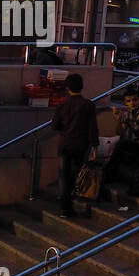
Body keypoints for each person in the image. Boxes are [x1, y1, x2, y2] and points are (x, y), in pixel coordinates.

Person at [52, 73, 98, 217]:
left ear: (67, 88)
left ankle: (64, 207)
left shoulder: (62, 105)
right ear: (82, 86)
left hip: (65, 144)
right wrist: (95, 146)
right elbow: (92, 127)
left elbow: (54, 126)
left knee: (63, 175)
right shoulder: (88, 105)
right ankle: (69, 205)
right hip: (80, 145)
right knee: (73, 174)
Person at [109, 89, 139, 181]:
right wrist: (119, 119)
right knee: (120, 144)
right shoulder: (127, 114)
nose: (132, 103)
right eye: (129, 101)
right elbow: (120, 134)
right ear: (125, 103)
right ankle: (109, 176)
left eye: (135, 100)